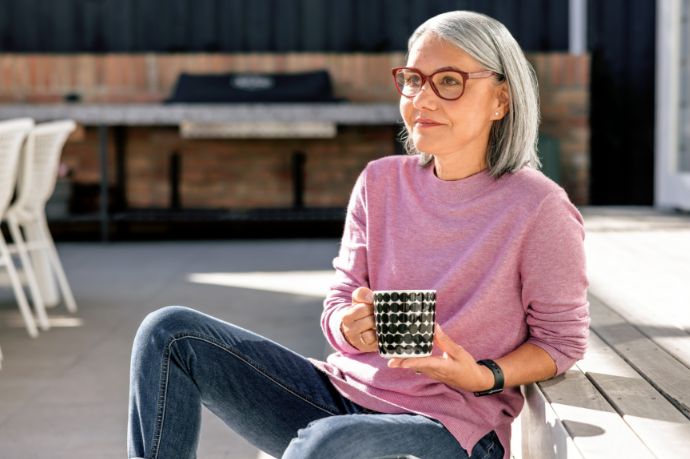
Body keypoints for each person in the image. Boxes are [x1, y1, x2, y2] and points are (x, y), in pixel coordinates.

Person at [127, 10, 589, 459]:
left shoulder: (538, 206)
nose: (422, 99)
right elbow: (342, 298)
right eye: (413, 79)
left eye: (449, 82)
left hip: (450, 425)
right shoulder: (380, 181)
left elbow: (560, 343)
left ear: (501, 101)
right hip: (340, 394)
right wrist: (349, 326)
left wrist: (482, 376)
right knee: (167, 332)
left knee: (327, 443)